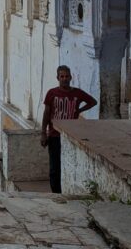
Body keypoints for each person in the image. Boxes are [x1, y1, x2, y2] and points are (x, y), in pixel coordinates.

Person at [41, 65, 97, 193]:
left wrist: (79, 110)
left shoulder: (77, 93)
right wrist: (43, 133)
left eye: (67, 76)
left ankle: (67, 190)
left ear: (71, 77)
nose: (64, 79)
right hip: (55, 136)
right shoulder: (52, 93)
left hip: (70, 136)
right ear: (58, 78)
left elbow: (93, 102)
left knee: (69, 165)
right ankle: (56, 193)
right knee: (55, 167)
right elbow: (46, 114)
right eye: (62, 76)